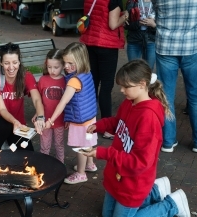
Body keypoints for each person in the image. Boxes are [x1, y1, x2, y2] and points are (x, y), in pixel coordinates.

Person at [84, 60, 190, 217]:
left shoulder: (148, 118)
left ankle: (171, 205)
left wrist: (103, 153)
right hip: (118, 175)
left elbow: (140, 162)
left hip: (134, 181)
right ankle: (155, 191)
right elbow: (119, 123)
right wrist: (100, 125)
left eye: (126, 86)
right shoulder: (130, 101)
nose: (121, 90)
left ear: (142, 84)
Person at [155, 0, 197, 153]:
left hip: (165, 45)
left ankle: (168, 141)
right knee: (196, 95)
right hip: (193, 45)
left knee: (165, 96)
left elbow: (152, 9)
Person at [45, 42, 98, 184]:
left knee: (81, 146)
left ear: (80, 61)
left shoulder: (74, 81)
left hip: (80, 121)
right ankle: (90, 164)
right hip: (90, 118)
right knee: (88, 142)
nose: (66, 66)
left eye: (70, 63)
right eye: (65, 62)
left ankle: (81, 173)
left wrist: (51, 120)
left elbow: (62, 103)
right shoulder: (86, 73)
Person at [0, 42, 45, 151]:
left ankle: (9, 145)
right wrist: (14, 122)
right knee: (4, 127)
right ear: (1, 62)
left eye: (15, 62)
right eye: (6, 63)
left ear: (19, 62)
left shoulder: (26, 76)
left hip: (18, 125)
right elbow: (1, 109)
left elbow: (36, 99)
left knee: (29, 154)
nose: (11, 67)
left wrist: (40, 117)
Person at [80, 0, 128, 140]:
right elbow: (112, 24)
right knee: (106, 87)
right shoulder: (114, 0)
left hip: (90, 43)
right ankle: (107, 128)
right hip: (107, 46)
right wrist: (125, 17)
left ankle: (89, 122)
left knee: (92, 85)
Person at [34, 49, 66, 163]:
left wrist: (68, 119)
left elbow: (68, 103)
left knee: (59, 145)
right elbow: (39, 100)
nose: (52, 70)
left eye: (56, 67)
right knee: (44, 146)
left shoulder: (66, 81)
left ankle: (60, 165)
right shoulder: (43, 80)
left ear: (63, 65)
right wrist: (37, 113)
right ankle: (44, 166)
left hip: (60, 121)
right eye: (49, 67)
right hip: (44, 121)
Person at [125, 0, 156, 70]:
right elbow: (126, 24)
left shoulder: (157, 3)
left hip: (151, 40)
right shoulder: (132, 2)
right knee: (133, 70)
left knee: (148, 70)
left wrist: (153, 25)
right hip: (134, 40)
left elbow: (162, 26)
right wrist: (138, 23)